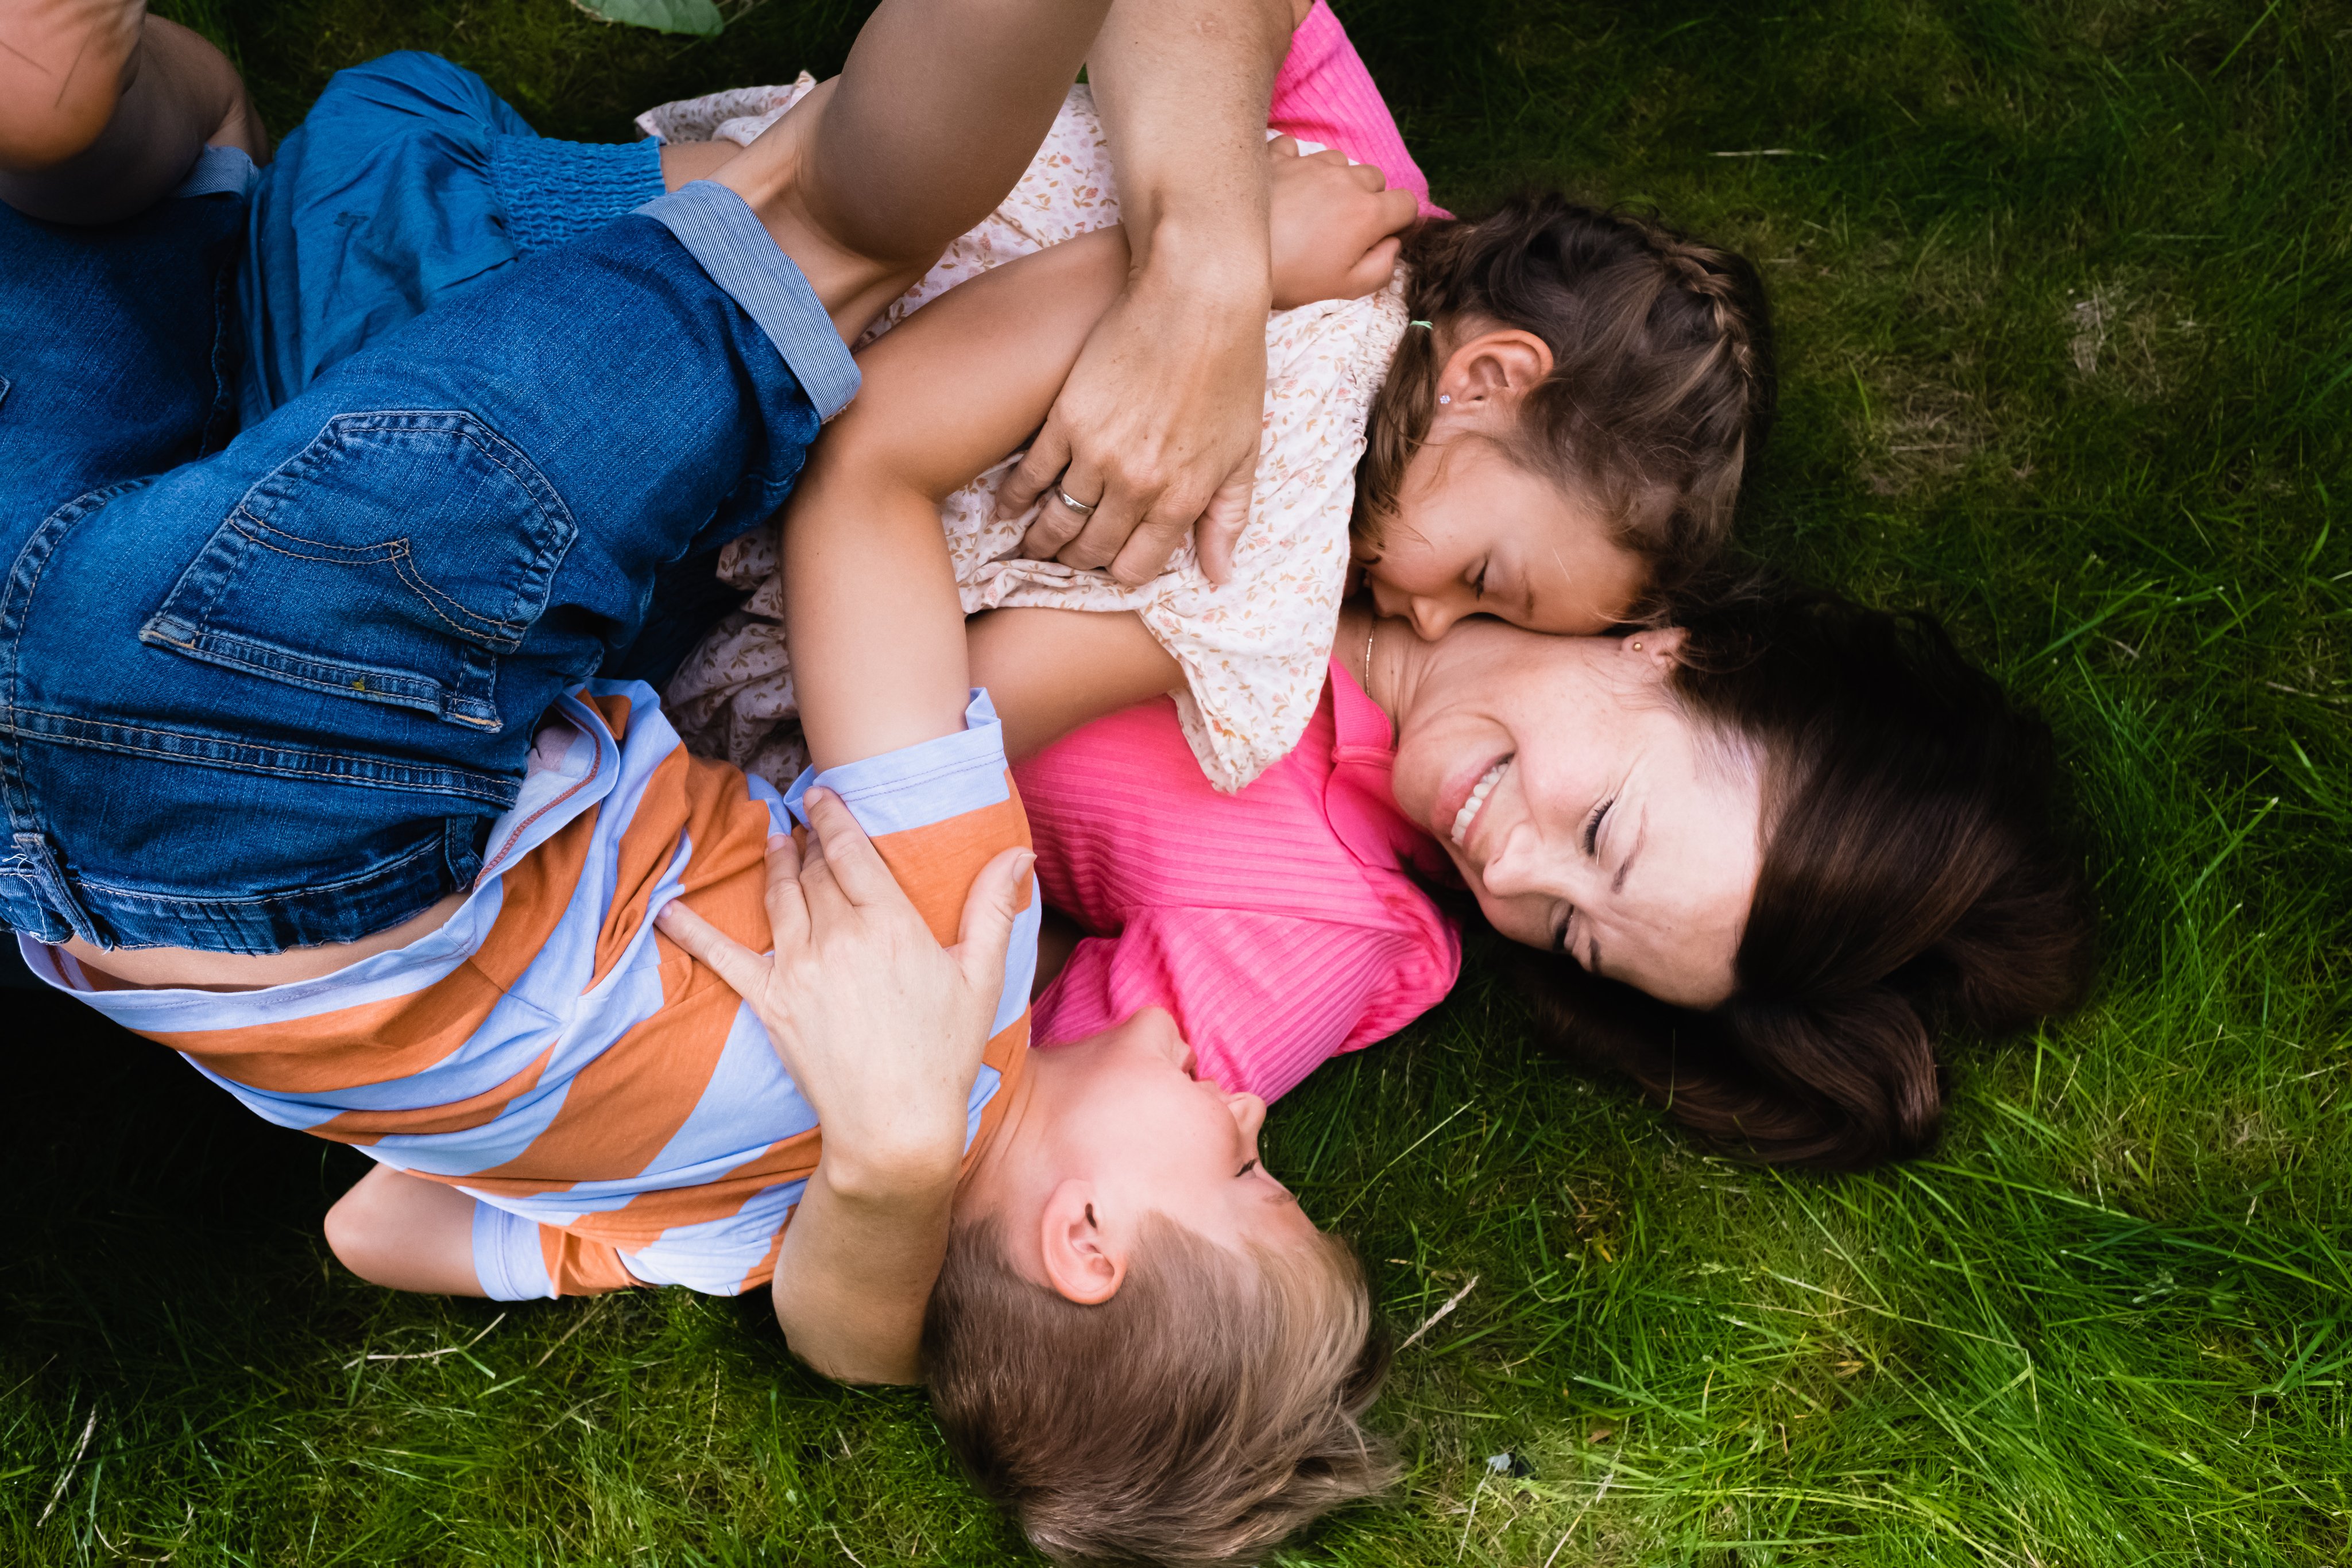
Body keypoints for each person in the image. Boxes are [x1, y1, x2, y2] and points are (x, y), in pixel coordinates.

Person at [662, 17, 1778, 793]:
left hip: (667, 212)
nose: (1429, 626)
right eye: (1483, 584)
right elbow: (938, 733)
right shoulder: (1274, 556)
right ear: (1487, 378)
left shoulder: (1294, 195)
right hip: (686, 481)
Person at [1018, 584, 2098, 1169]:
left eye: (1571, 933)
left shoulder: (1309, 933)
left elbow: (1010, 1146)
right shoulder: (1476, 438)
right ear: (1677, 653)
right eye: (1601, 829)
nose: (1509, 871)